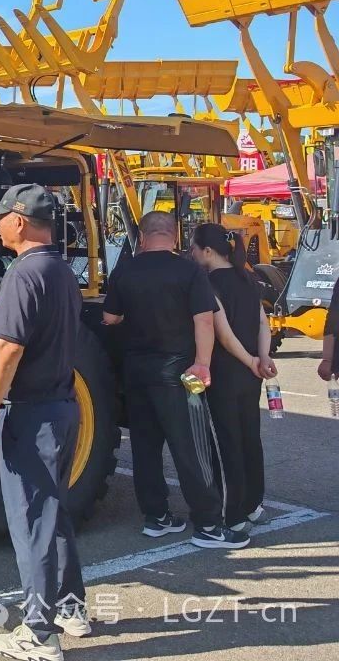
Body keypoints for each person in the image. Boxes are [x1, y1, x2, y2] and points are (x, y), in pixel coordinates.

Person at [0, 183, 87, 661]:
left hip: (30, 412)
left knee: (32, 522)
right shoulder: (62, 271)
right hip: (61, 407)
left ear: (19, 221)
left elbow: (8, 348)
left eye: (0, 217)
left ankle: (39, 633)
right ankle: (71, 607)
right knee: (52, 512)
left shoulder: (23, 275)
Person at [102, 211, 249, 549]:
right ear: (175, 235)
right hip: (179, 372)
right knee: (192, 448)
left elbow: (110, 317)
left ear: (142, 237)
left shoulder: (125, 269)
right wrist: (203, 364)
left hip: (137, 371)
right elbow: (204, 321)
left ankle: (156, 517)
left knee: (145, 447)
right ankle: (208, 525)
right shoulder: (188, 271)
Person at [190, 223, 274, 531]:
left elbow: (223, 334)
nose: (191, 253)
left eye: (194, 248)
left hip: (225, 372)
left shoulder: (208, 284)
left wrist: (251, 360)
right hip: (252, 375)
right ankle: (253, 504)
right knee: (250, 437)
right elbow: (263, 323)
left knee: (229, 441)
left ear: (208, 251)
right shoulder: (247, 278)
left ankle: (233, 513)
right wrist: (262, 357)